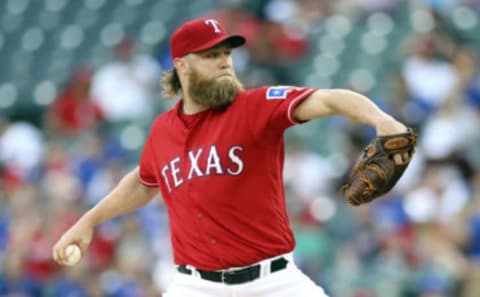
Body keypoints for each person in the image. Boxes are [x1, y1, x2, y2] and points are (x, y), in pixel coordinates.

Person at [52, 17, 410, 297]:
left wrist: (382, 120)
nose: (225, 62)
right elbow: (145, 180)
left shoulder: (255, 106)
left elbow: (330, 99)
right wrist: (89, 220)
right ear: (182, 66)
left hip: (273, 281)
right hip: (195, 286)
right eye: (211, 55)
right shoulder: (162, 130)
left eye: (227, 53)